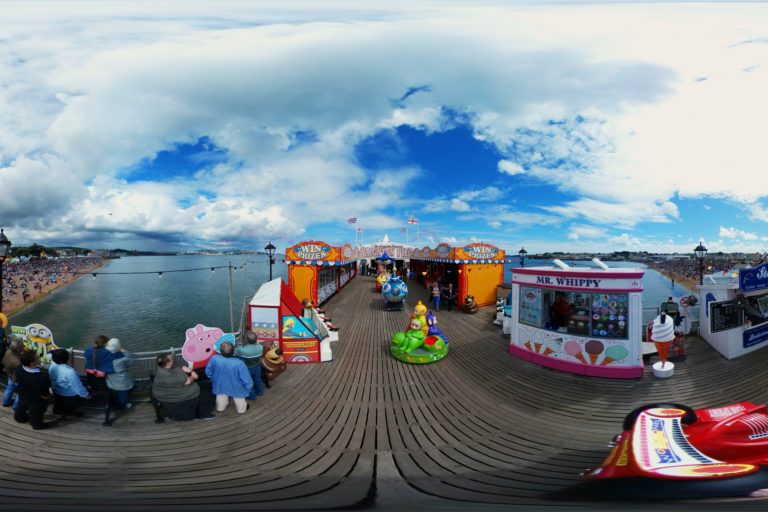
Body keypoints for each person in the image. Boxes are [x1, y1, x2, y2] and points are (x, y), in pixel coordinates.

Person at [151, 353, 213, 421]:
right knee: (205, 391)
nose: (173, 358)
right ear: (168, 362)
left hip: (170, 389)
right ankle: (202, 415)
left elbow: (178, 366)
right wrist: (193, 375)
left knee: (203, 385)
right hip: (174, 397)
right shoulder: (169, 378)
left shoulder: (161, 366)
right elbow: (188, 381)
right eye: (171, 358)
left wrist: (188, 369)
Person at [205, 341, 252, 414]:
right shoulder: (239, 363)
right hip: (236, 386)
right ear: (233, 351)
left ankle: (220, 408)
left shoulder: (214, 358)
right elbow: (246, 378)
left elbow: (208, 371)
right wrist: (249, 386)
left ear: (220, 351)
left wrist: (212, 377)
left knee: (220, 396)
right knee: (239, 398)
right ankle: (241, 410)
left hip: (219, 383)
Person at [14, 350, 55, 430]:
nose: (39, 358)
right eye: (37, 358)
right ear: (32, 363)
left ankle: (20, 418)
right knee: (35, 412)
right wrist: (49, 396)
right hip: (35, 400)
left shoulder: (19, 368)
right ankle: (37, 425)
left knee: (21, 406)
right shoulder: (39, 378)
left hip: (23, 393)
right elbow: (44, 394)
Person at [48, 348, 90, 420]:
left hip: (57, 390)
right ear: (67, 359)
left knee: (58, 404)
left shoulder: (52, 366)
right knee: (70, 407)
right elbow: (77, 387)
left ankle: (58, 415)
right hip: (68, 394)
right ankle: (69, 416)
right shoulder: (69, 372)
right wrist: (86, 395)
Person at [105, 338, 134, 417]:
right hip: (122, 383)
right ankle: (121, 408)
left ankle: (115, 404)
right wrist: (124, 351)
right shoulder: (123, 358)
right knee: (123, 396)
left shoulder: (105, 357)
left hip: (110, 381)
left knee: (114, 394)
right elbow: (130, 361)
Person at [236, 331, 264, 400]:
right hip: (257, 366)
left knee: (248, 383)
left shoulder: (241, 350)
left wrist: (239, 345)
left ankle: (252, 396)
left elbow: (234, 352)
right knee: (258, 380)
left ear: (246, 340)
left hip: (247, 368)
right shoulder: (260, 347)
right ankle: (260, 392)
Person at [2, 340, 22, 408]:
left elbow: (3, 361)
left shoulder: (8, 352)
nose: (23, 347)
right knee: (20, 392)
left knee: (9, 388)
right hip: (16, 378)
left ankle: (5, 402)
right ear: (18, 349)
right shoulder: (17, 362)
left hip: (9, 374)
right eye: (21, 346)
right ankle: (15, 406)